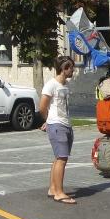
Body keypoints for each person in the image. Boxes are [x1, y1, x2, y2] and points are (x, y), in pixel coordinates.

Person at [40, 55, 76, 204]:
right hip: (57, 125)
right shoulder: (51, 85)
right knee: (62, 158)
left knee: (59, 158)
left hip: (66, 124)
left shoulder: (65, 85)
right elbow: (42, 107)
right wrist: (48, 121)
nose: (73, 70)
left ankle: (53, 189)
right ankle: (59, 193)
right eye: (71, 68)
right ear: (64, 68)